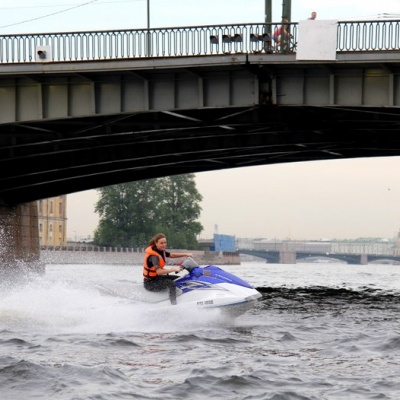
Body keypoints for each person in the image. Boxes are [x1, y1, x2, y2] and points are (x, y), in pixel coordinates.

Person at [142, 233, 192, 305]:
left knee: (181, 279)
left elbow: (172, 255)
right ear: (156, 243)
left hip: (157, 278)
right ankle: (173, 304)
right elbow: (159, 271)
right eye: (161, 243)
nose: (164, 245)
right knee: (171, 283)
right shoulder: (154, 256)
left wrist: (186, 254)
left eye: (165, 243)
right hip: (150, 283)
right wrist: (173, 269)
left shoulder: (160, 251)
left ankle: (186, 297)